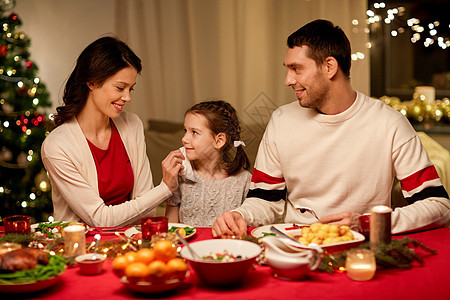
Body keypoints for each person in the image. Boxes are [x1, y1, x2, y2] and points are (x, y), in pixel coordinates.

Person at [212, 19, 450, 237]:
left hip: (360, 248)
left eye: (296, 68)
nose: (288, 80)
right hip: (297, 245)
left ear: (329, 67)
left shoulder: (390, 124)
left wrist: (367, 223)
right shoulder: (281, 120)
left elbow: (438, 206)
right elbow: (265, 199)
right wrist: (240, 215)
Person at [41, 36, 184, 227]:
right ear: (91, 82)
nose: (127, 97)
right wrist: (165, 189)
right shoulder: (58, 146)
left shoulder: (132, 125)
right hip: (81, 251)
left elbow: (147, 209)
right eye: (120, 88)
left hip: (131, 243)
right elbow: (100, 219)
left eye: (131, 89)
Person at [165, 100, 252, 227]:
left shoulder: (244, 180)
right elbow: (171, 227)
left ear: (219, 141)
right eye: (185, 131)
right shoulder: (179, 175)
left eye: (194, 132)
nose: (184, 139)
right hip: (189, 246)